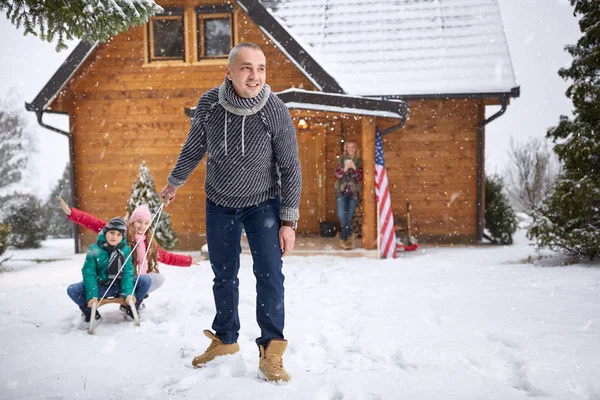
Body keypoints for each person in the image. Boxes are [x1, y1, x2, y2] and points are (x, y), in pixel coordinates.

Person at [159, 42, 301, 382]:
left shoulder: (275, 109)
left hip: (262, 204)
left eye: (261, 68)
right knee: (224, 274)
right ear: (229, 71)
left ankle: (271, 351)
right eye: (246, 68)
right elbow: (194, 148)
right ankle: (225, 339)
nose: (255, 76)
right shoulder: (209, 104)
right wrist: (173, 183)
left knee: (269, 275)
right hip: (219, 204)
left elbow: (291, 166)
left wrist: (288, 221)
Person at [59, 197, 203, 294]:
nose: (142, 226)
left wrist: (189, 260)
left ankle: (137, 298)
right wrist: (73, 213)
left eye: (146, 223)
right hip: (118, 278)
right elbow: (95, 223)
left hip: (136, 280)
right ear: (133, 221)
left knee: (157, 279)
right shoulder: (120, 234)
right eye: (139, 221)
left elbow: (166, 256)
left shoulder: (148, 241)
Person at [66, 217, 152, 322]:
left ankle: (131, 309)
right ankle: (90, 313)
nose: (114, 237)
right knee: (73, 290)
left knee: (145, 281)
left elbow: (127, 274)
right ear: (105, 232)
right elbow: (89, 273)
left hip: (120, 286)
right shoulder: (94, 249)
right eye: (112, 232)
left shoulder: (125, 250)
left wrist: (129, 293)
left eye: (118, 234)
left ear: (122, 237)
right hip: (100, 286)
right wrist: (92, 295)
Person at [334, 140, 362, 250]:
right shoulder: (341, 159)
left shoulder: (359, 161)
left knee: (349, 216)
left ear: (356, 149)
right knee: (342, 215)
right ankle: (348, 235)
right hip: (341, 191)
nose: (350, 149)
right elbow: (337, 174)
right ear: (346, 148)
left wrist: (354, 168)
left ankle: (344, 239)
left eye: (353, 147)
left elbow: (360, 177)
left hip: (353, 192)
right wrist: (344, 169)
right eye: (349, 147)